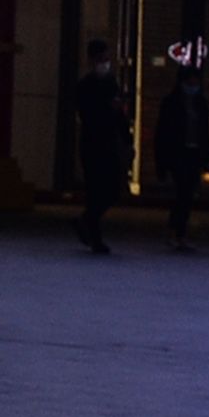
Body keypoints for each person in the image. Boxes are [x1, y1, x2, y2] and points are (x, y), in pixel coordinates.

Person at [70, 39, 125, 255]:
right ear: (92, 60)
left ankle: (86, 221)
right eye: (101, 59)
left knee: (113, 189)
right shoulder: (85, 86)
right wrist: (109, 109)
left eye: (107, 59)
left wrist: (126, 139)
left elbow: (119, 115)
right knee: (96, 190)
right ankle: (94, 236)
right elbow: (88, 116)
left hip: (110, 143)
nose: (105, 63)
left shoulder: (111, 83)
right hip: (93, 144)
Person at [154, 58, 209, 251]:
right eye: (190, 81)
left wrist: (206, 158)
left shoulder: (200, 103)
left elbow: (205, 132)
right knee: (182, 193)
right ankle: (176, 231)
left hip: (194, 153)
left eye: (196, 81)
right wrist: (162, 162)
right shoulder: (171, 103)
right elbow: (163, 133)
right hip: (178, 154)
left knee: (187, 195)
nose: (193, 85)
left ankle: (178, 231)